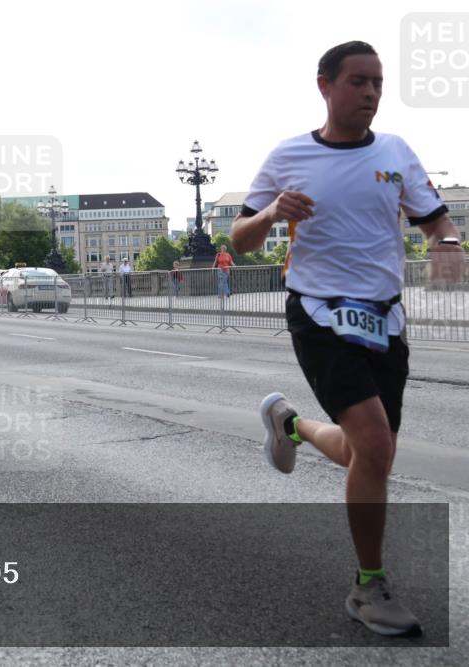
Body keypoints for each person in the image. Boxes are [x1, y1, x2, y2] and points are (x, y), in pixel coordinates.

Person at [231, 41, 464, 638]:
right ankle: (369, 587)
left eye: (378, 83)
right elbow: (242, 240)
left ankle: (291, 426)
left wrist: (447, 248)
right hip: (319, 313)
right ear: (325, 85)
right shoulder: (289, 155)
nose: (370, 93)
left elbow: (435, 218)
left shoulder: (395, 152)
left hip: (384, 318)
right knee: (377, 445)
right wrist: (271, 213)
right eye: (358, 81)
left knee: (371, 454)